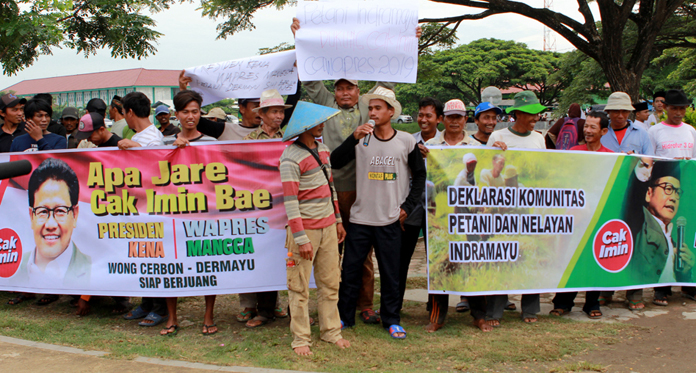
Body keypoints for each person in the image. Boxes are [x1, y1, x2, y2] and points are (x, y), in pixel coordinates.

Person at [290, 17, 418, 324]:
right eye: (340, 88)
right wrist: (300, 39)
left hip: (366, 191)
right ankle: (335, 305)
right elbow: (310, 79)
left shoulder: (367, 106)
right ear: (333, 92)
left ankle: (365, 304)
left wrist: (408, 43)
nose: (345, 92)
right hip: (332, 189)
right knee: (336, 249)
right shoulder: (326, 104)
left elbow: (390, 83)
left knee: (365, 255)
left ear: (359, 91)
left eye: (351, 88)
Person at [331, 87, 426, 339]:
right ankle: (344, 317)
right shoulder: (362, 138)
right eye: (370, 108)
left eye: (378, 108)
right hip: (360, 218)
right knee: (350, 271)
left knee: (391, 272)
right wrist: (352, 137)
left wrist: (407, 208)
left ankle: (391, 319)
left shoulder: (406, 140)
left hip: (390, 220)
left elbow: (420, 175)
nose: (372, 112)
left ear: (391, 112)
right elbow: (335, 161)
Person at [279, 101, 350, 355]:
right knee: (298, 288)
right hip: (305, 231)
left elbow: (331, 188)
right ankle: (300, 339)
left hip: (329, 228)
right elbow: (290, 202)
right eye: (319, 121)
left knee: (331, 283)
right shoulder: (290, 157)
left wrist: (338, 221)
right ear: (307, 126)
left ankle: (331, 331)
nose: (323, 125)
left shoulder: (323, 149)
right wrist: (301, 239)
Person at [422, 100, 491, 333]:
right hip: (441, 213)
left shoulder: (477, 146)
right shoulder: (430, 145)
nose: (454, 121)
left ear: (465, 119)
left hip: (469, 212)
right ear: (442, 118)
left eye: (459, 117)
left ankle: (479, 314)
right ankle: (438, 316)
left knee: (473, 254)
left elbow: (482, 180)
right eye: (450, 116)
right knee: (439, 259)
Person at [158, 90, 218, 336]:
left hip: (203, 214)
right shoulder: (162, 143)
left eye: (195, 112)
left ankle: (209, 315)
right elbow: (150, 171)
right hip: (172, 215)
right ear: (176, 115)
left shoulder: (211, 143)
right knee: (170, 265)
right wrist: (173, 148)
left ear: (200, 113)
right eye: (185, 112)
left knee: (207, 264)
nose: (190, 117)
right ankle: (172, 318)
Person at [487, 90, 547, 324]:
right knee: (502, 252)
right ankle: (495, 310)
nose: (535, 118)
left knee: (530, 251)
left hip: (529, 204)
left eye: (537, 114)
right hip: (504, 206)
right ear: (518, 114)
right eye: (531, 114)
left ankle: (530, 308)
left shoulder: (539, 139)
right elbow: (490, 168)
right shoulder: (498, 137)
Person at [550, 111, 612, 319]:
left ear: (603, 131)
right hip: (576, 216)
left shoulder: (611, 156)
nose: (587, 130)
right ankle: (563, 302)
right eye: (586, 126)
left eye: (593, 127)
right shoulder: (574, 152)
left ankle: (592, 303)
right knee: (570, 257)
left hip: (598, 216)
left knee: (594, 257)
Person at [242, 88, 294, 328]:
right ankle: (265, 311)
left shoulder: (292, 137)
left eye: (281, 112)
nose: (278, 116)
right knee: (266, 256)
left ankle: (296, 308)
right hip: (261, 207)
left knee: (293, 256)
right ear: (261, 114)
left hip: (290, 204)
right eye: (274, 111)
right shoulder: (248, 142)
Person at [118, 92, 168, 327]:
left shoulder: (152, 137)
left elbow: (156, 168)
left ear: (129, 112)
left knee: (157, 256)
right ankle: (147, 303)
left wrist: (136, 147)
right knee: (144, 256)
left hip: (154, 206)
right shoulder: (138, 135)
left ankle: (160, 308)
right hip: (138, 205)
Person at [646, 89, 696, 305]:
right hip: (663, 192)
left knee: (687, 236)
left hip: (686, 192)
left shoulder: (691, 131)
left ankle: (688, 284)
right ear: (665, 108)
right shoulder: (655, 132)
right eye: (674, 108)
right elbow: (648, 160)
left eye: (682, 108)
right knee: (663, 235)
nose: (678, 112)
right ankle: (661, 288)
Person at [624, 159, 694, 305]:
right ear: (649, 193)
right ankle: (634, 296)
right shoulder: (639, 221)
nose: (673, 197)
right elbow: (634, 198)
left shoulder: (674, 240)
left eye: (677, 192)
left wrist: (686, 272)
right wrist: (643, 164)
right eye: (668, 188)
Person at [398, 98, 442, 316]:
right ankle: (394, 304)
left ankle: (434, 304)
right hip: (412, 204)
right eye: (420, 115)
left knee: (435, 258)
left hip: (438, 207)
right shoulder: (408, 140)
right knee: (402, 256)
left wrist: (435, 158)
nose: (423, 120)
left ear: (439, 119)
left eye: (429, 116)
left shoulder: (446, 144)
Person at [16, 158, 90, 288]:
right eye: (43, 211)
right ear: (31, 216)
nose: (50, 225)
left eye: (60, 211)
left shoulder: (93, 268)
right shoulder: (16, 268)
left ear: (75, 214)